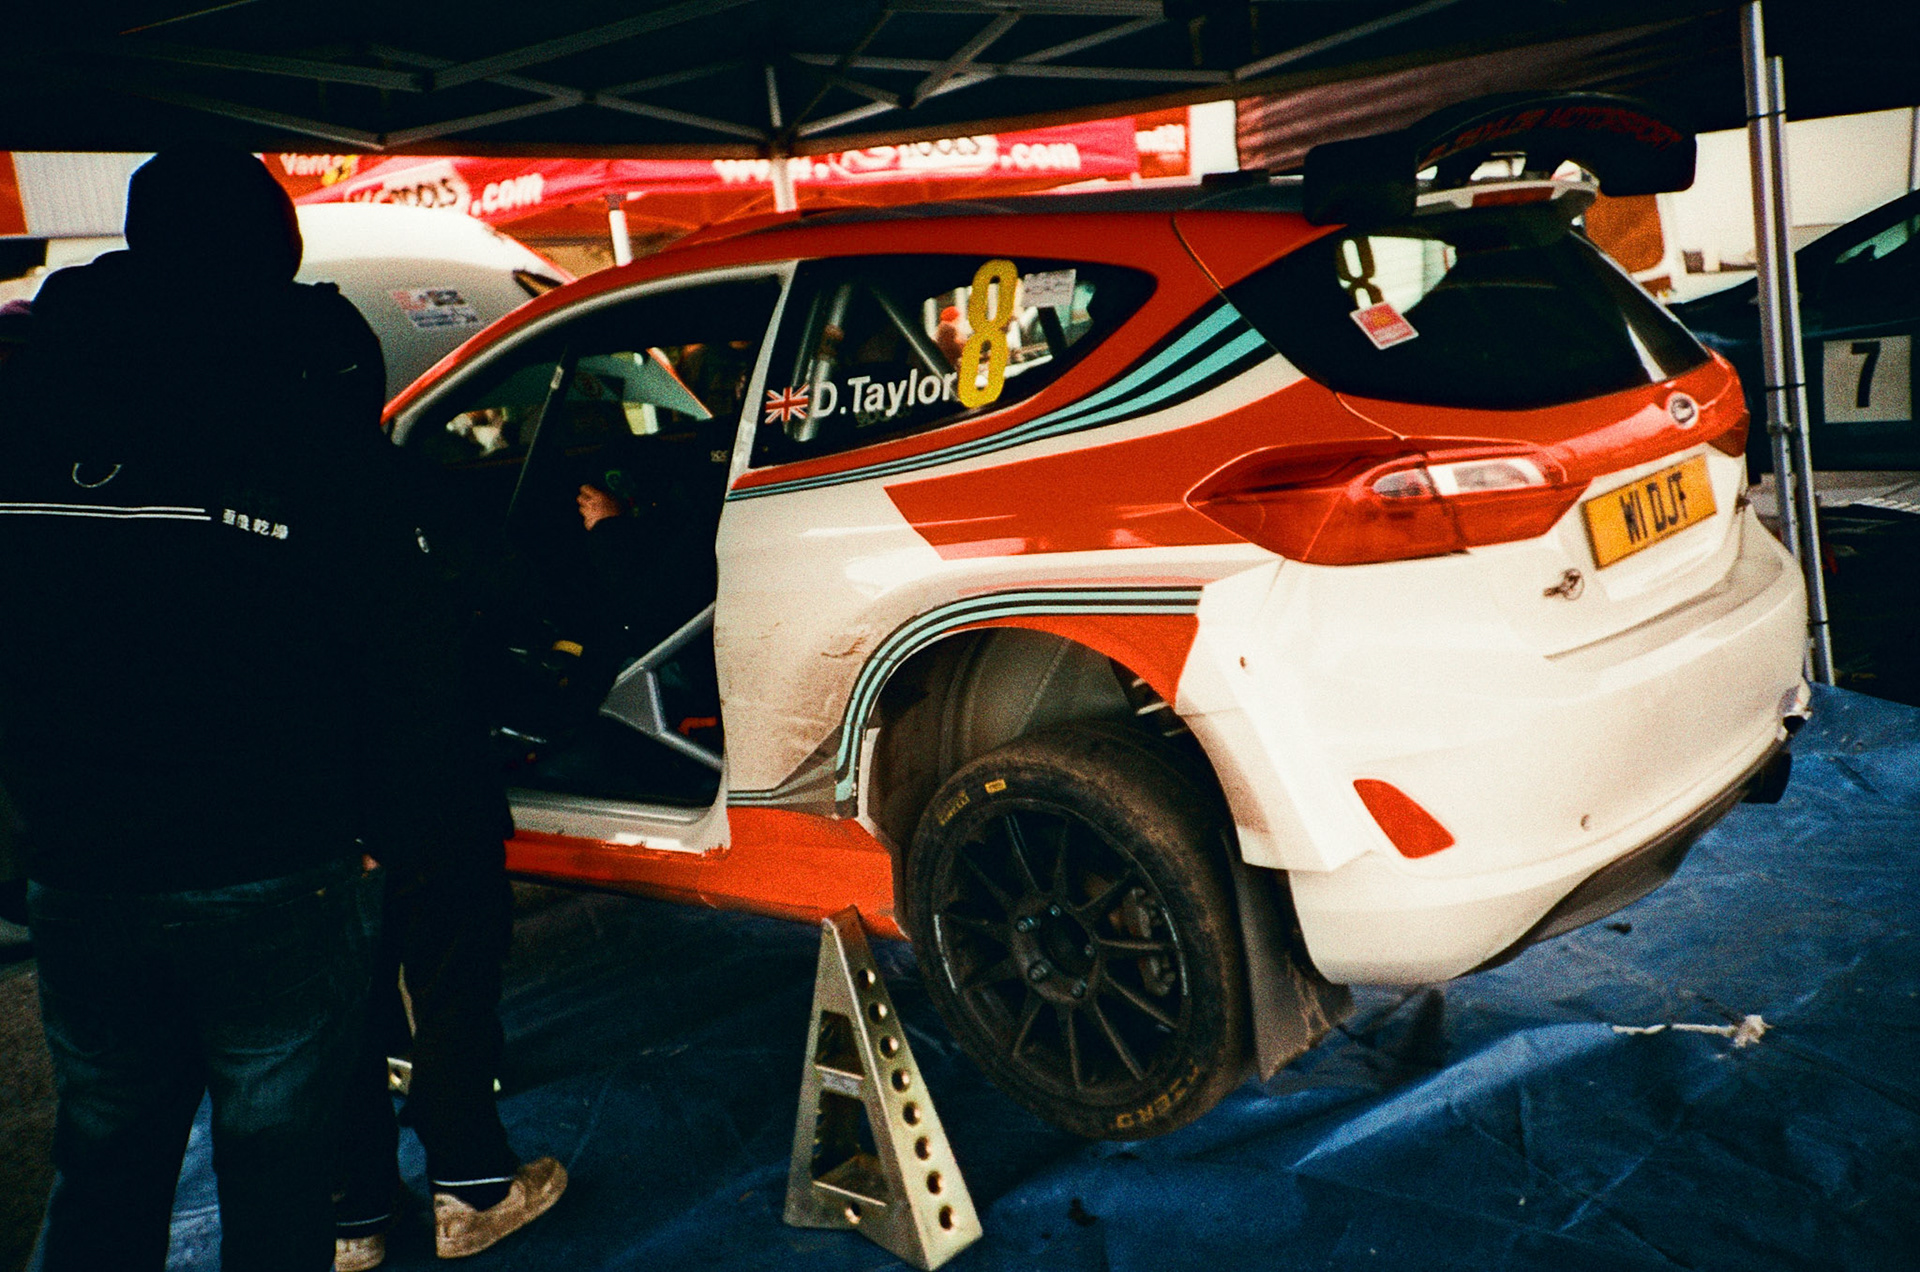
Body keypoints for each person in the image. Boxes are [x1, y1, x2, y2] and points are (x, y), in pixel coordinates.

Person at [0, 148, 447, 1271]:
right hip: (272, 849)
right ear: (273, 247)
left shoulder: (33, 393)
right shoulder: (297, 379)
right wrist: (396, 823)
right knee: (277, 1168)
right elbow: (392, 628)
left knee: (106, 1157)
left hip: (80, 855)